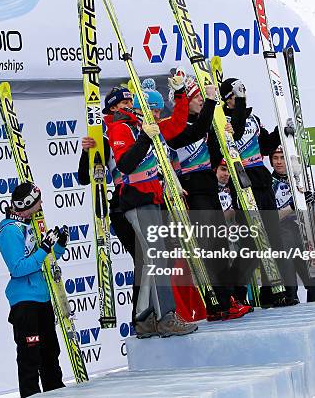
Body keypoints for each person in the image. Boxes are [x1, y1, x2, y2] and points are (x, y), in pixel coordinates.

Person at [107, 76, 199, 337]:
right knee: (156, 258)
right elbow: (125, 164)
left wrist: (180, 93)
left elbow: (178, 124)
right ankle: (166, 317)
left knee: (152, 260)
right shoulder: (121, 128)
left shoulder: (146, 126)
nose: (157, 116)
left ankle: (144, 318)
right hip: (135, 198)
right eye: (153, 111)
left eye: (158, 111)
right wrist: (146, 137)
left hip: (153, 198)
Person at [167, 70, 251, 320]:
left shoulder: (203, 125)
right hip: (193, 191)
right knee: (210, 248)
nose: (201, 101)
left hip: (209, 187)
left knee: (221, 246)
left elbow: (228, 138)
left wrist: (229, 124)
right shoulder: (177, 126)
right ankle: (218, 303)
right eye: (197, 98)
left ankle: (226, 301)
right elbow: (195, 132)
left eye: (202, 99)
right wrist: (213, 101)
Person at [218, 77, 295, 307]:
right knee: (251, 243)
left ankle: (274, 291)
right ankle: (236, 292)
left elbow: (264, 146)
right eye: (235, 95)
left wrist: (281, 132)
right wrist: (238, 105)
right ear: (227, 99)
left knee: (273, 236)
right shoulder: (225, 120)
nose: (240, 99)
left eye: (241, 94)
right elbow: (238, 134)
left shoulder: (253, 118)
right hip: (242, 182)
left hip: (260, 178)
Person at [0, 181, 67, 398]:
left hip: (43, 297)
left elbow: (44, 259)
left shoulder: (32, 224)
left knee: (50, 353)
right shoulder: (9, 230)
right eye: (37, 201)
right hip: (24, 302)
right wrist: (44, 248)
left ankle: (56, 391)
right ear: (27, 204)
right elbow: (18, 268)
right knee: (30, 357)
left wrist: (59, 246)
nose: (41, 204)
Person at [77, 86, 139, 319]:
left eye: (131, 101)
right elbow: (84, 177)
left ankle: (151, 314)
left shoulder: (137, 128)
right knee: (146, 260)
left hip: (146, 198)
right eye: (125, 103)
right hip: (124, 203)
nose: (130, 106)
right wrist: (87, 152)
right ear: (113, 108)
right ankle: (141, 317)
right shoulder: (104, 134)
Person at [270, 146, 315, 302]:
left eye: (282, 158)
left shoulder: (299, 181)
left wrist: (312, 204)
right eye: (275, 158)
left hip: (302, 231)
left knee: (314, 282)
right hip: (282, 233)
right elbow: (271, 219)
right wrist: (293, 206)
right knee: (290, 289)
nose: (279, 162)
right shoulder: (268, 184)